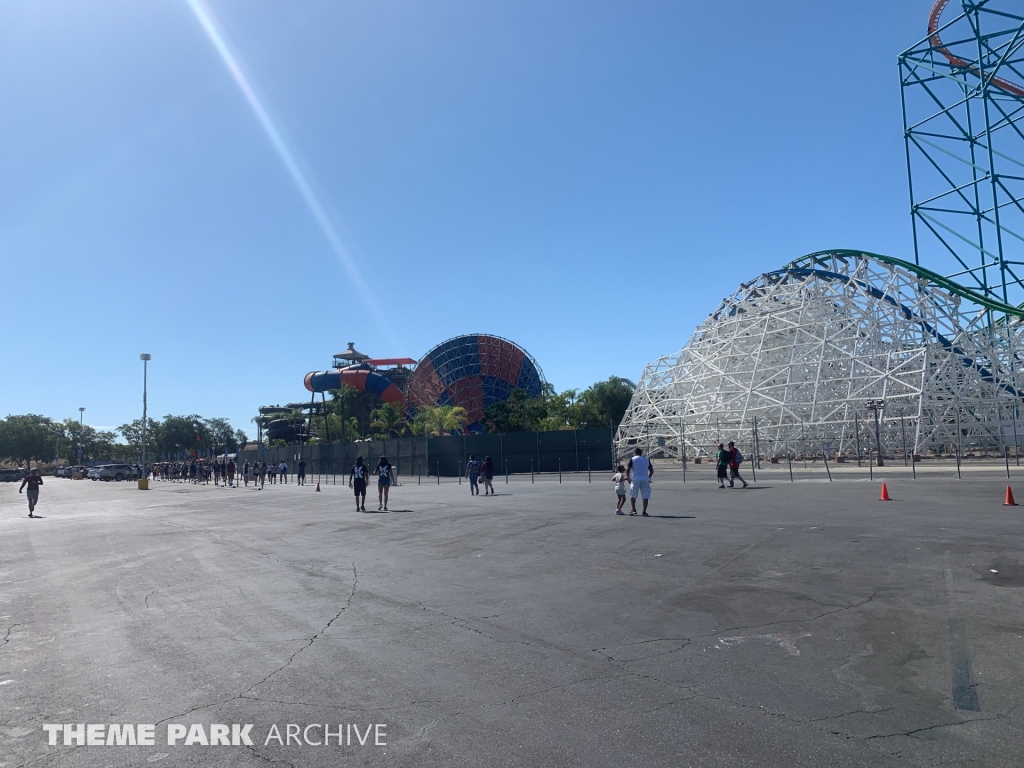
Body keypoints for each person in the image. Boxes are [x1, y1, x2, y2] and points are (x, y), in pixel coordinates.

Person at [626, 447, 653, 516]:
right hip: (645, 478)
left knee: (633, 494)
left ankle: (633, 509)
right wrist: (648, 477)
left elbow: (628, 470)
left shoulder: (633, 459)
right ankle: (644, 511)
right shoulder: (646, 459)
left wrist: (628, 477)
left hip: (635, 478)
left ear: (635, 453)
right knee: (645, 495)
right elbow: (651, 470)